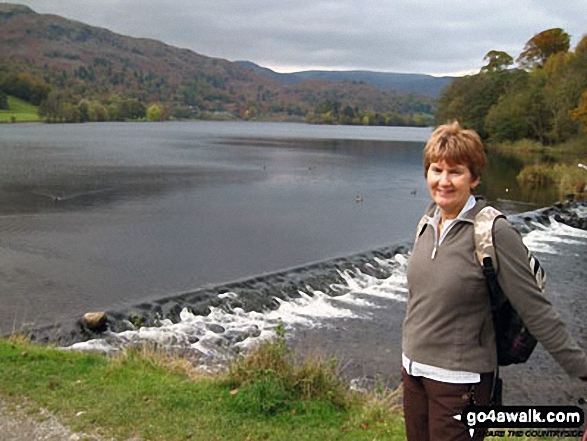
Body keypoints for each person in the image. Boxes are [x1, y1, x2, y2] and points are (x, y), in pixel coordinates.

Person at [401, 121, 587, 441]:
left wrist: (583, 372)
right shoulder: (428, 221)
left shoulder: (493, 232)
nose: (443, 181)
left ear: (474, 178)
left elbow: (537, 312)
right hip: (414, 375)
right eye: (436, 170)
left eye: (455, 172)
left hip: (461, 384)